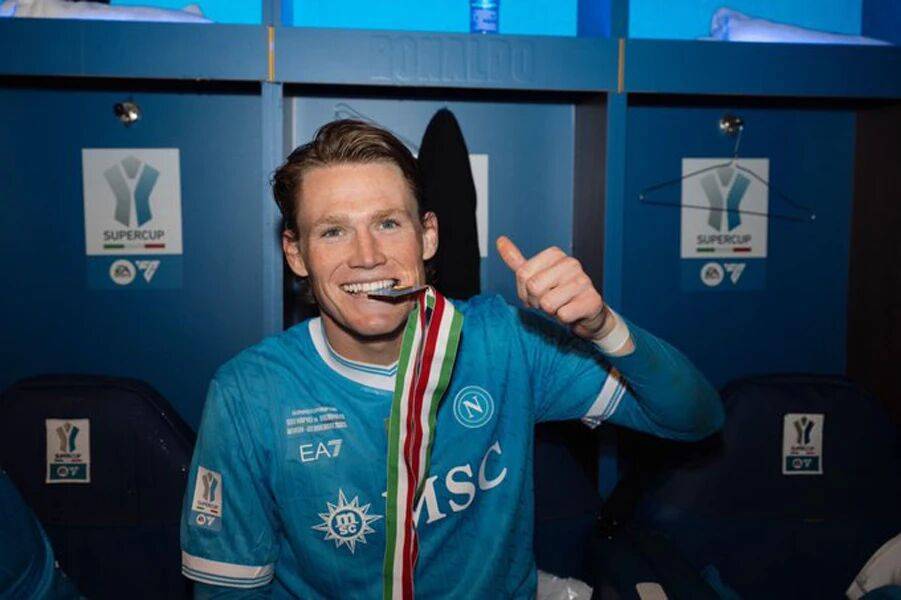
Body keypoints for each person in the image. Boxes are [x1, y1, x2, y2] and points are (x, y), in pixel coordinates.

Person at [179, 119, 725, 599]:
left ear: (428, 236)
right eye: (334, 231)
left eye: (388, 223)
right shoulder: (250, 392)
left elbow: (695, 418)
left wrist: (604, 327)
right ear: (297, 253)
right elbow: (227, 590)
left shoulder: (505, 342)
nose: (367, 256)